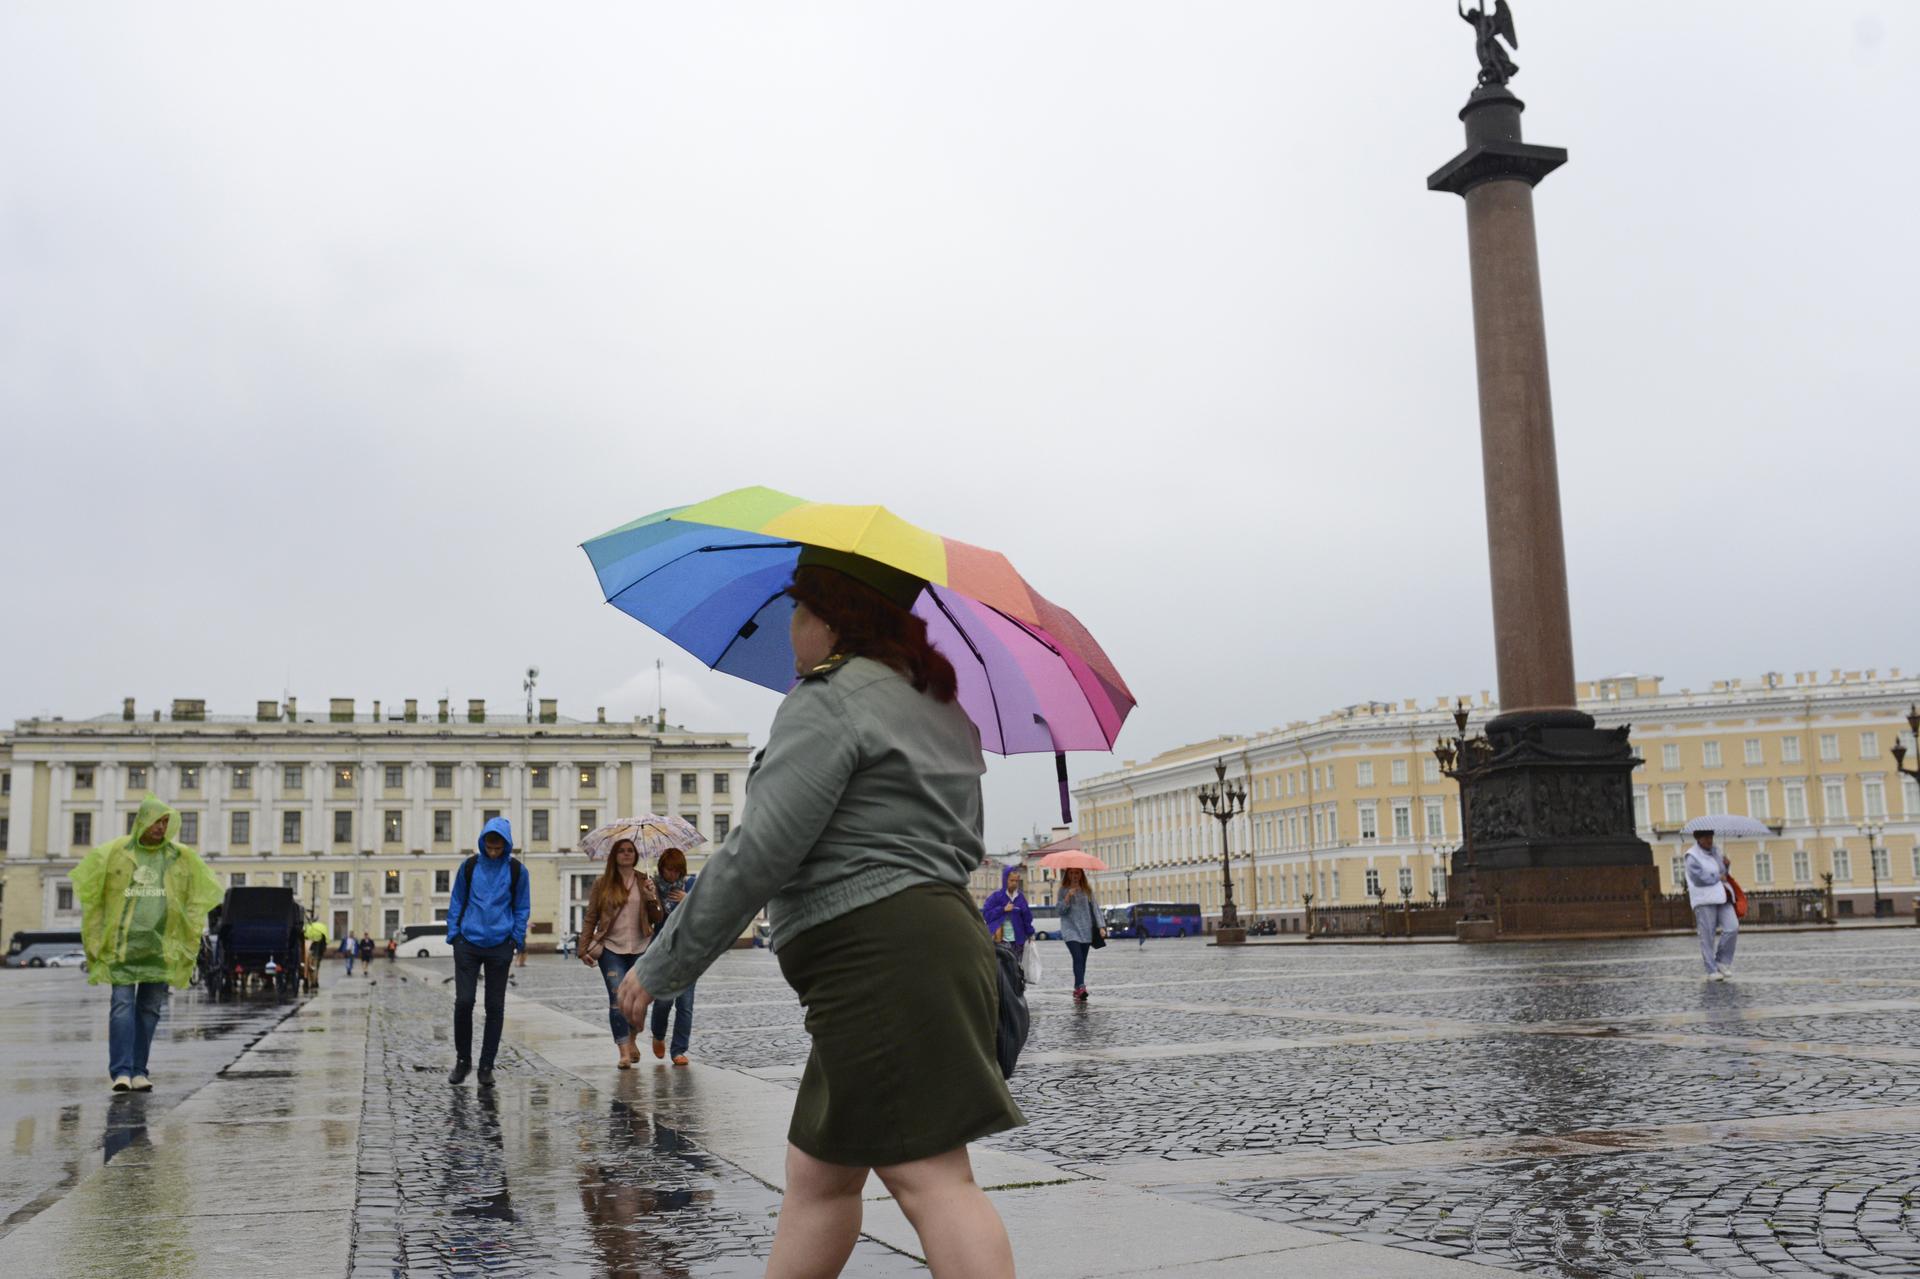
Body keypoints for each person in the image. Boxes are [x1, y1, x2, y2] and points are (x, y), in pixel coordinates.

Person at [615, 549, 1020, 1278]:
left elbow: (759, 851)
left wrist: (663, 962)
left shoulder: (828, 699)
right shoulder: (937, 701)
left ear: (831, 620)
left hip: (875, 959)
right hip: (928, 943)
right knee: (821, 1178)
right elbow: (959, 839)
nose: (790, 628)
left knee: (932, 1178)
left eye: (798, 610)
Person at [70, 794, 223, 1093]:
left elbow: (200, 894)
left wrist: (188, 933)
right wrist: (96, 938)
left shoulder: (180, 857)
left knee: (150, 1009)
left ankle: (139, 1070)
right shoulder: (115, 853)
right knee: (122, 1005)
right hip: (122, 945)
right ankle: (121, 1072)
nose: (161, 827)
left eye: (166, 822)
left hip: (160, 947)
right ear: (142, 821)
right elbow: (94, 895)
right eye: (156, 821)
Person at [445, 817, 531, 1086]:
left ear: (506, 846)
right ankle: (463, 1062)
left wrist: (514, 939)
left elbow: (521, 907)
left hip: (499, 945)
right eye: (490, 847)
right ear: (483, 843)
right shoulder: (469, 867)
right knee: (464, 1002)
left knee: (495, 1007)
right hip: (468, 944)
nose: (493, 852)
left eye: (498, 848)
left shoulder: (517, 871)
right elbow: (457, 899)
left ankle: (486, 1066)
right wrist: (454, 935)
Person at [578, 837, 663, 1068]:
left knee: (637, 1002)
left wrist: (652, 897)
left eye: (630, 851)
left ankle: (633, 1038)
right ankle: (624, 1051)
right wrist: (582, 948)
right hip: (611, 949)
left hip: (641, 948)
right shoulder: (602, 884)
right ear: (614, 855)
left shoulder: (645, 880)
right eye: (622, 851)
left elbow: (658, 918)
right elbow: (591, 917)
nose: (626, 854)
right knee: (617, 1000)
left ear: (635, 856)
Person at [649, 847, 698, 1065]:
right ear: (661, 869)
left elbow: (704, 912)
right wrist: (650, 897)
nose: (673, 875)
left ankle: (678, 1050)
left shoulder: (691, 886)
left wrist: (688, 900)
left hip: (688, 952)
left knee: (685, 1005)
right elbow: (650, 919)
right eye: (669, 870)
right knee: (663, 1003)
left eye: (677, 870)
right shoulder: (653, 888)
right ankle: (658, 1035)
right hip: (663, 953)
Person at [1685, 828, 1738, 981]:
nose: (1709, 840)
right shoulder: (1692, 856)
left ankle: (1722, 961)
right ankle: (1711, 969)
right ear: (1698, 839)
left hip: (1722, 896)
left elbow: (1723, 872)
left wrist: (1726, 865)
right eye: (1706, 838)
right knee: (1707, 936)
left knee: (1732, 927)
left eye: (1711, 837)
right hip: (1704, 899)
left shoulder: (1716, 851)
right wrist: (1717, 877)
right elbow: (1698, 878)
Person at [1055, 867, 1103, 1002]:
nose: (1074, 875)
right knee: (1077, 958)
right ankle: (1081, 987)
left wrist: (1101, 926)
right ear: (1067, 875)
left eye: (1077, 873)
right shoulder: (1063, 890)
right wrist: (1067, 897)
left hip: (1086, 930)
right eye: (1071, 873)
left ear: (1081, 874)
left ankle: (1077, 988)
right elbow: (1060, 911)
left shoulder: (1087, 890)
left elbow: (1095, 908)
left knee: (1082, 960)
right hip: (1070, 930)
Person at [981, 865, 1034, 956]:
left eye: (1016, 881)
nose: (1014, 883)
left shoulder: (1020, 898)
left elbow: (1027, 918)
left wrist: (1030, 934)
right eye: (1011, 880)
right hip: (999, 941)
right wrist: (1003, 909)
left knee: (1017, 968)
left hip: (1018, 941)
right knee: (1003, 968)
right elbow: (986, 915)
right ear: (1005, 880)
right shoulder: (996, 897)